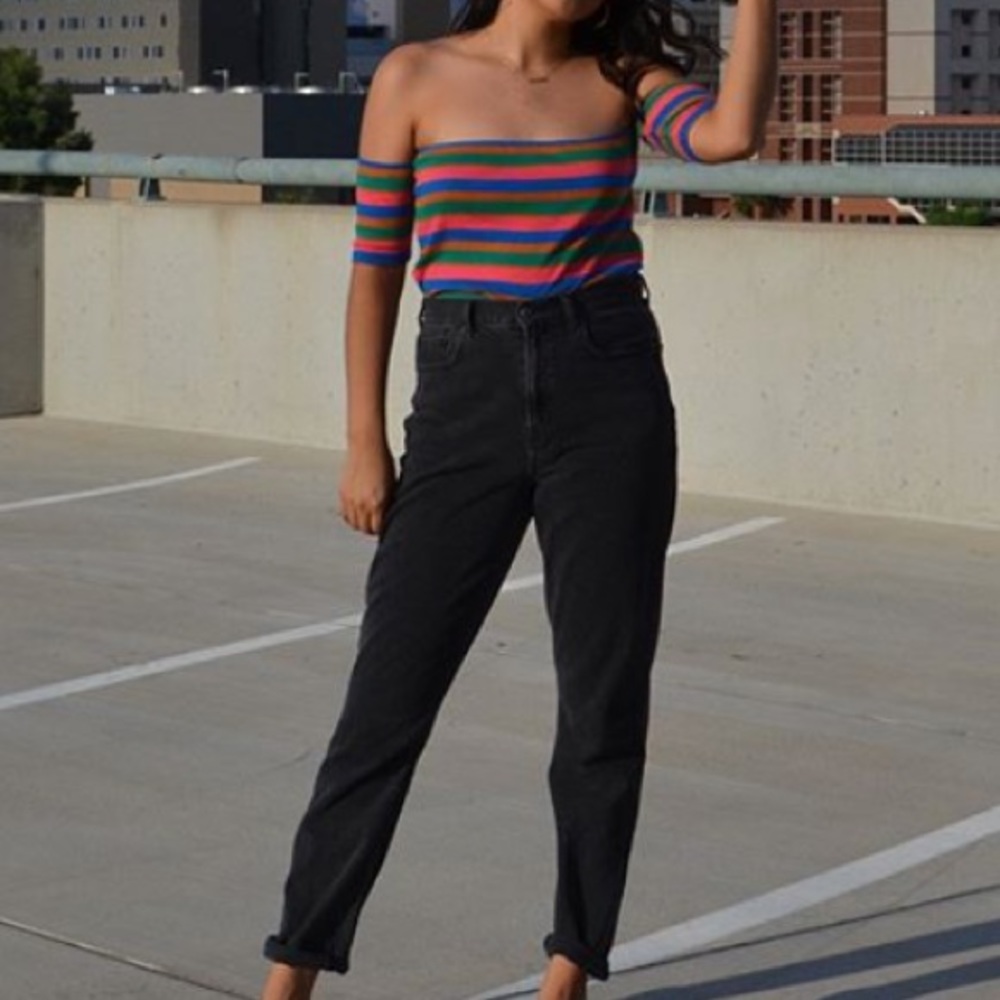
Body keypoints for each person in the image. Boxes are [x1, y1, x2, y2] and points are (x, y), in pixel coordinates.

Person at [261, 1, 776, 998]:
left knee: (601, 700)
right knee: (384, 704)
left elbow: (729, 136)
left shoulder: (622, 76)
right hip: (462, 391)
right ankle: (293, 971)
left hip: (608, 386)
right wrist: (363, 440)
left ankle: (569, 967)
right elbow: (374, 269)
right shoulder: (412, 75)